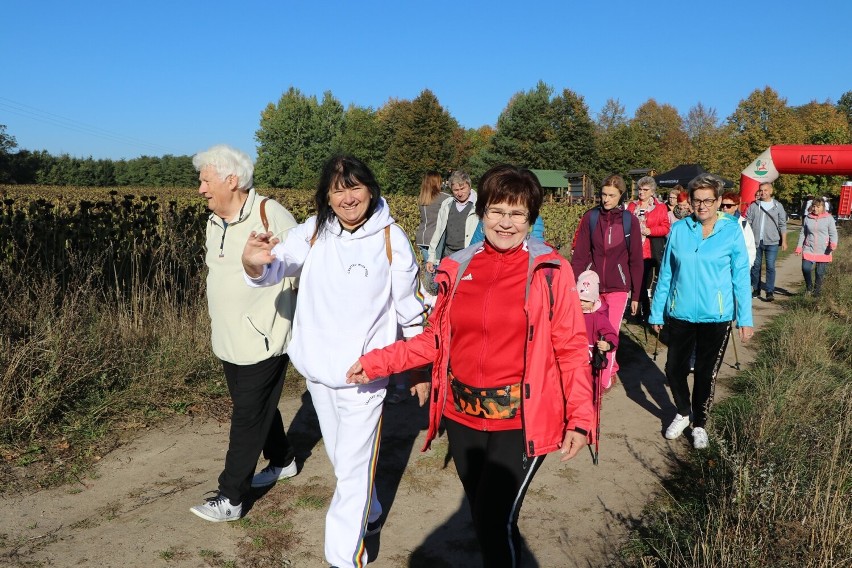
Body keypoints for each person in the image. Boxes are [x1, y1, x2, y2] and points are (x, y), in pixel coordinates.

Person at [347, 164, 594, 568]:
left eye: (517, 214)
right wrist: (378, 362)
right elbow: (435, 340)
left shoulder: (550, 270)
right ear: (482, 212)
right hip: (462, 417)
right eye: (497, 211)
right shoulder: (457, 267)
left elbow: (570, 346)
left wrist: (581, 418)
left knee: (494, 519)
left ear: (531, 218)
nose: (506, 223)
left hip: (521, 419)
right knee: (487, 519)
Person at [241, 155, 428, 568]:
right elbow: (271, 269)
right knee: (344, 459)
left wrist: (417, 366)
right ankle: (373, 511)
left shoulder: (391, 238)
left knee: (353, 471)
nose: (347, 198)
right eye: (338, 189)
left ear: (370, 190)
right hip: (319, 374)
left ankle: (345, 558)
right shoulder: (311, 232)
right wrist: (252, 261)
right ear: (326, 196)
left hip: (365, 376)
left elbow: (409, 307)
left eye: (355, 187)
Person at [189, 144, 299, 523]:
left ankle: (231, 497)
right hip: (228, 337)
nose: (201, 188)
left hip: (264, 337)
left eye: (205, 180)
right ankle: (283, 459)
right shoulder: (213, 221)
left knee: (246, 417)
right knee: (256, 407)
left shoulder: (271, 215)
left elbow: (305, 269)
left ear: (231, 180)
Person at [649, 173, 754, 450]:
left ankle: (700, 425)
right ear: (690, 202)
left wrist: (745, 318)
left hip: (716, 316)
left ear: (719, 201)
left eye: (709, 200)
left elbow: (741, 277)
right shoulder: (680, 230)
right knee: (674, 369)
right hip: (681, 313)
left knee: (706, 374)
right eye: (697, 200)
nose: (702, 206)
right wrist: (657, 311)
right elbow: (667, 274)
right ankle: (683, 412)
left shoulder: (731, 231)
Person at [571, 174, 643, 390]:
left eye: (611, 195)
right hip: (591, 286)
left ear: (621, 196)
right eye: (603, 194)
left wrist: (637, 295)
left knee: (610, 332)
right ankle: (609, 367)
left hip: (618, 287)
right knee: (591, 331)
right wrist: (573, 287)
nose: (606, 199)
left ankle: (601, 383)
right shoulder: (590, 218)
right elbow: (580, 256)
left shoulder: (630, 221)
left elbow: (636, 260)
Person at [627, 176, 671, 321]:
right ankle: (638, 311)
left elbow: (665, 227)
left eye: (645, 190)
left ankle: (647, 312)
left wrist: (650, 231)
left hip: (650, 250)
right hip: (634, 248)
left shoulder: (660, 207)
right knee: (635, 281)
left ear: (652, 191)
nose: (641, 192)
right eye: (639, 189)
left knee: (645, 281)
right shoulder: (632, 206)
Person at [425, 170, 477, 273]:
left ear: (469, 186)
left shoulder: (479, 205)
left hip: (470, 256)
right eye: (456, 190)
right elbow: (438, 232)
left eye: (463, 188)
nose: (460, 193)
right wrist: (431, 258)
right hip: (448, 255)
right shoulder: (446, 205)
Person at [745, 182, 788, 301]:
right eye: (761, 190)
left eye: (765, 190)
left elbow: (782, 224)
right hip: (756, 241)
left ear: (771, 191)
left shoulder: (777, 206)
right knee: (755, 266)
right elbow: (747, 221)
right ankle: (756, 289)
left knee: (770, 266)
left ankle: (769, 291)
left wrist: (784, 241)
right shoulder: (754, 206)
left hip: (772, 241)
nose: (763, 192)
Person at [415, 171, 451, 295]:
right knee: (436, 269)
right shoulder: (445, 198)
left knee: (428, 268)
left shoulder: (422, 198)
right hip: (434, 239)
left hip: (422, 237)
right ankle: (435, 294)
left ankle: (426, 292)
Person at [795, 196, 838, 296]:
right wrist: (799, 247)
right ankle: (809, 287)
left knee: (819, 273)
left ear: (823, 207)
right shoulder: (808, 218)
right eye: (814, 206)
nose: (815, 209)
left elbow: (833, 233)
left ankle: (817, 292)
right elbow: (803, 233)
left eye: (818, 207)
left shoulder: (829, 218)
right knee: (805, 268)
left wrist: (833, 243)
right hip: (808, 248)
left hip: (824, 249)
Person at [720, 192, 756, 267]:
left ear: (736, 206)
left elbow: (749, 246)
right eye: (722, 205)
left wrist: (748, 266)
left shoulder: (743, 223)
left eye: (728, 205)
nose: (725, 208)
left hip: (738, 265)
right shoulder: (715, 221)